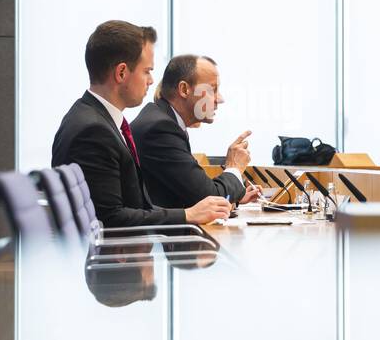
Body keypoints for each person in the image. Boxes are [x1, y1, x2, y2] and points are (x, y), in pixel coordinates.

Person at [50, 20, 232, 227]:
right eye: (147, 71)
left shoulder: (93, 118)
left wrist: (189, 213)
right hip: (113, 256)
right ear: (121, 73)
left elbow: (130, 208)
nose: (152, 80)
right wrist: (187, 215)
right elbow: (110, 218)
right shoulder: (94, 131)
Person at [131, 54, 262, 208]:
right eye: (213, 90)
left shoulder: (161, 119)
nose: (220, 99)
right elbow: (208, 198)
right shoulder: (160, 129)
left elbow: (192, 193)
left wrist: (234, 197)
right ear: (184, 89)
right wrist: (234, 167)